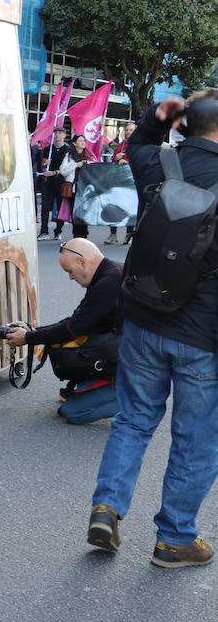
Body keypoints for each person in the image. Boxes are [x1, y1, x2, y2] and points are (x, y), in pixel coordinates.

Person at [87, 92, 218, 569]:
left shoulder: (159, 163)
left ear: (185, 125)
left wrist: (158, 116)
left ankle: (107, 507)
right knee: (195, 439)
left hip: (143, 318)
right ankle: (175, 538)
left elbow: (139, 142)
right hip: (204, 335)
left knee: (134, 420)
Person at [5, 238, 121, 424]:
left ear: (82, 262)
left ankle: (133, 403)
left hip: (137, 367)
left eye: (70, 271)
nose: (70, 277)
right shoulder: (109, 273)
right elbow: (76, 322)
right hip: (128, 353)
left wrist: (28, 337)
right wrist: (33, 331)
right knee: (73, 344)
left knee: (71, 412)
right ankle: (104, 388)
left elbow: (73, 328)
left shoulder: (108, 283)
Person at [106, 121, 137, 246]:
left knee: (129, 208)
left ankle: (129, 235)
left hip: (130, 182)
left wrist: (127, 162)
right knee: (114, 207)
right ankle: (113, 234)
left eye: (131, 130)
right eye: (127, 130)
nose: (128, 132)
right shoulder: (120, 144)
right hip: (117, 181)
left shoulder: (138, 145)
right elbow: (113, 160)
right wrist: (116, 158)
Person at [38, 127, 70, 240]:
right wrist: (45, 163)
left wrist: (55, 172)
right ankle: (44, 231)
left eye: (60, 133)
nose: (57, 135)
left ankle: (58, 231)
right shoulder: (48, 149)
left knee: (60, 206)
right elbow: (42, 165)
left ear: (64, 135)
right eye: (56, 133)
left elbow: (67, 167)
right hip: (48, 182)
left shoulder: (67, 149)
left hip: (61, 181)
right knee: (45, 207)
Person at [58, 133, 92, 240]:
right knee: (75, 212)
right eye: (80, 141)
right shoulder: (69, 156)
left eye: (83, 141)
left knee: (84, 211)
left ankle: (84, 234)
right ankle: (77, 235)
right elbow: (63, 171)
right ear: (74, 143)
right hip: (73, 188)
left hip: (85, 188)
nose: (83, 143)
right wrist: (76, 165)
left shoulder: (88, 155)